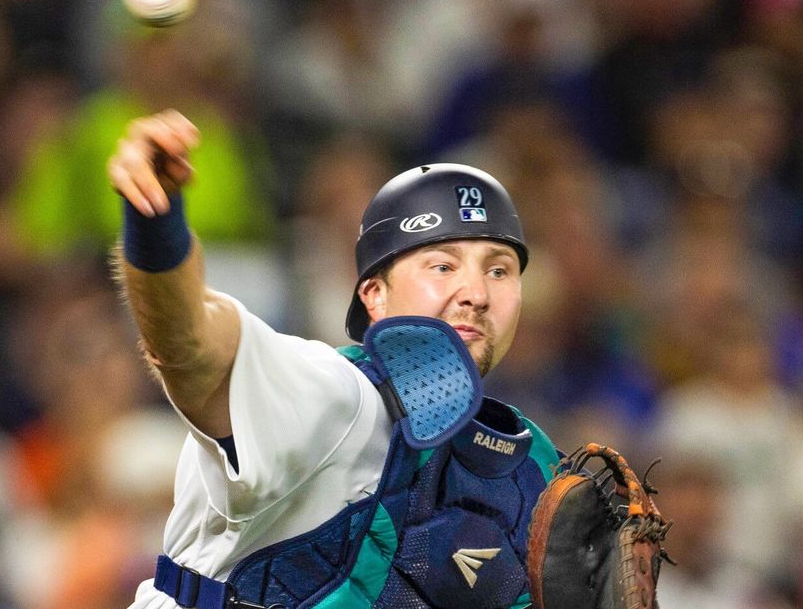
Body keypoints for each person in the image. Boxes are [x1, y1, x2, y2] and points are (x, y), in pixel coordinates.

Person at [109, 109, 561, 609]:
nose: (475, 292)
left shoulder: (531, 468)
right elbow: (188, 345)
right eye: (442, 265)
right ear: (374, 294)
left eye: (499, 271)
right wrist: (156, 226)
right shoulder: (331, 394)